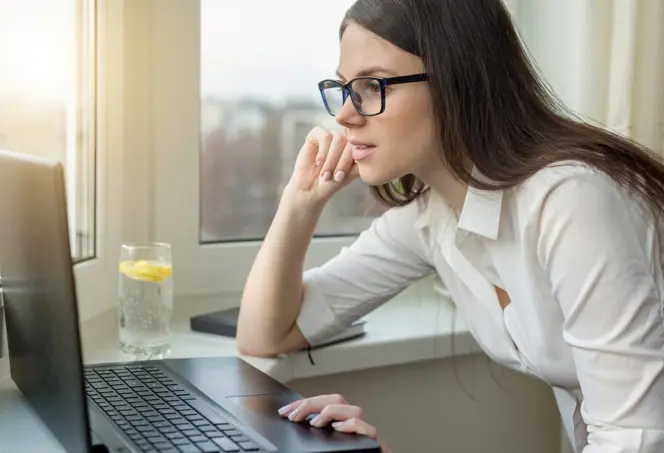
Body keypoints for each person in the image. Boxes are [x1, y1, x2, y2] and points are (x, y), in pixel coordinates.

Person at [236, 0, 664, 451]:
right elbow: (266, 334)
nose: (344, 114)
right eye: (344, 87)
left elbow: (635, 439)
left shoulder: (569, 201)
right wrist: (298, 205)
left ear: (459, 82)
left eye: (372, 85)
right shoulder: (430, 216)